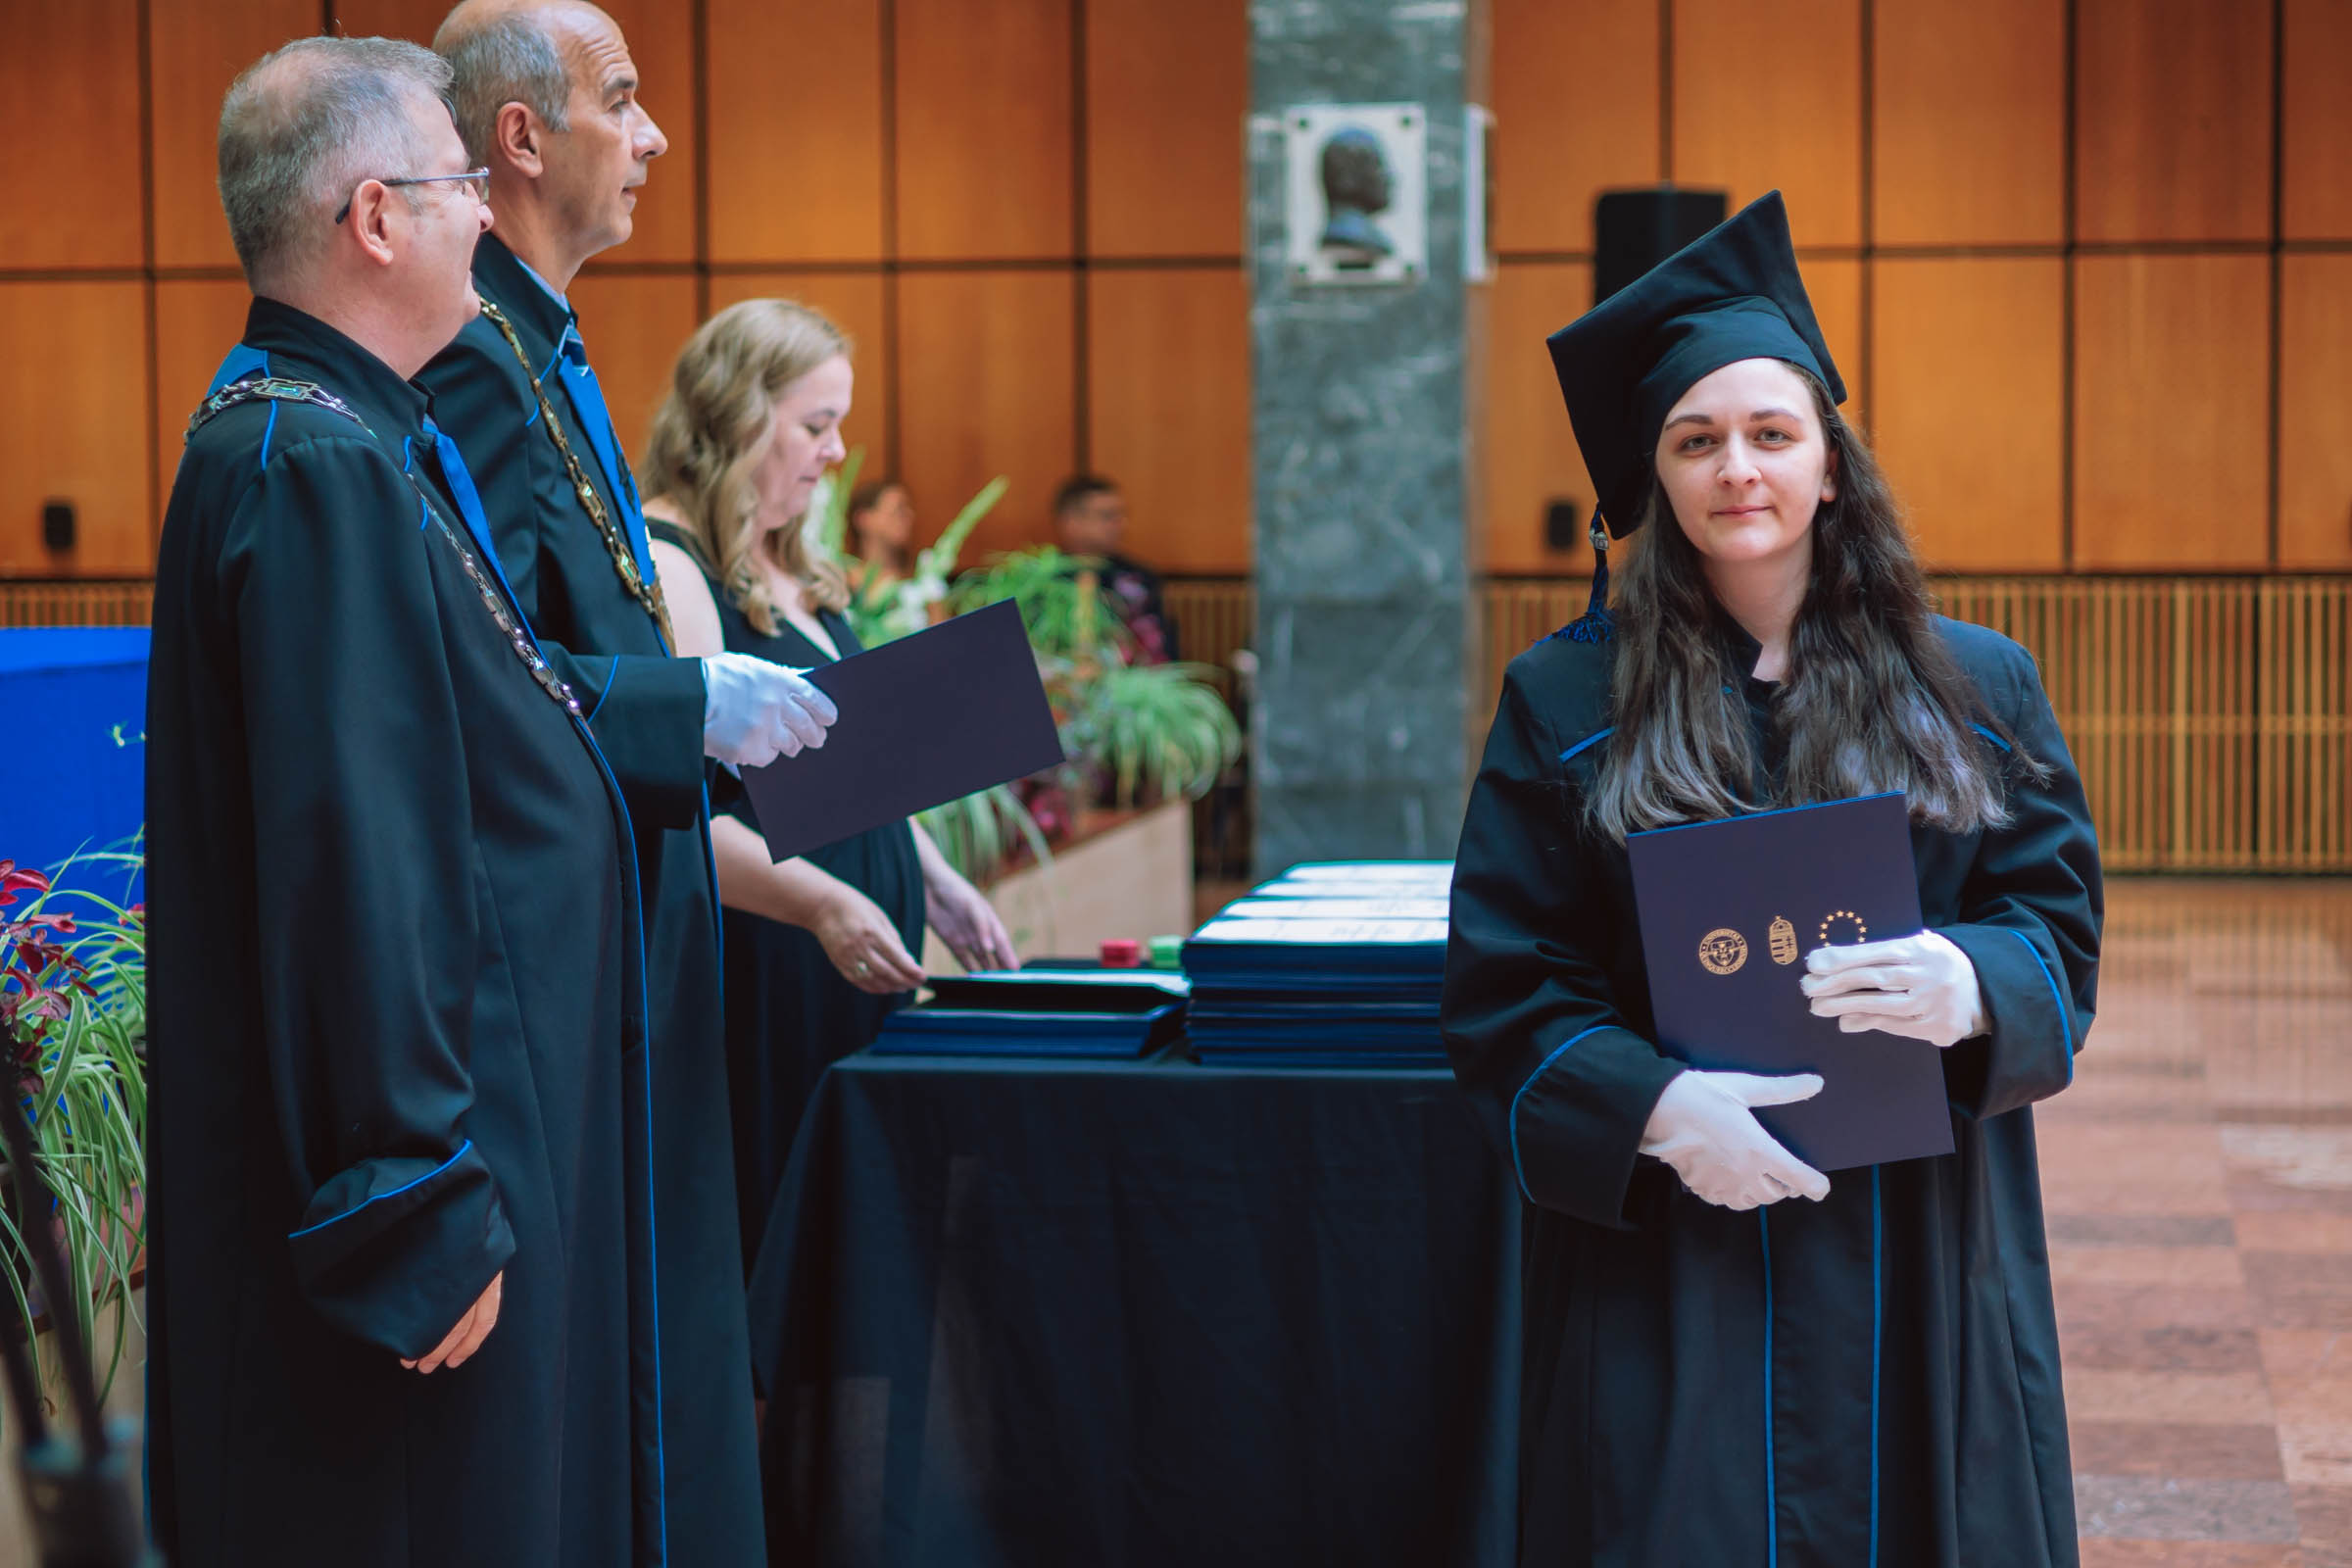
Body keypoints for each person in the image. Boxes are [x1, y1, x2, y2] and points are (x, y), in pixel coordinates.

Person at [142, 36, 767, 1565]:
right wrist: (409, 1189)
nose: (486, 217)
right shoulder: (313, 459)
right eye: (458, 186)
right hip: (427, 1181)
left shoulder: (351, 431)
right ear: (375, 218)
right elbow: (357, 851)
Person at [1442, 191, 2102, 1567]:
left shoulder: (1976, 686)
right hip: (1674, 1240)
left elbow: (2052, 921)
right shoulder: (1566, 700)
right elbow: (1509, 980)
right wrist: (1654, 1108)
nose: (1736, 468)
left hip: (1918, 1231)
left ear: (1830, 464)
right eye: (1696, 440)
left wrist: (1973, 980)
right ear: (1653, 477)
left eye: (1771, 434)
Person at [415, 6, 830, 1557]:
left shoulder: (543, 338)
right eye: (624, 100)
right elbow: (483, 671)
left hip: (640, 924)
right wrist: (685, 704)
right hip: (572, 950)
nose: (653, 136)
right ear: (522, 137)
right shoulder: (474, 353)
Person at [643, 299, 1020, 1271]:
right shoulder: (674, 563)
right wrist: (823, 904)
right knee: (788, 1246)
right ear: (737, 417)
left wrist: (933, 877)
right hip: (774, 962)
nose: (838, 451)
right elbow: (680, 810)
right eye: (816, 425)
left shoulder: (788, 559)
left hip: (848, 954)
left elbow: (853, 767)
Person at [1052, 472, 1182, 662]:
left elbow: (1161, 650)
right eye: (1108, 516)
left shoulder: (1138, 578)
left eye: (1122, 515)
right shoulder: (1042, 580)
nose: (1121, 524)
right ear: (1071, 522)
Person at [847, 475, 917, 587]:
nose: (909, 516)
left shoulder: (922, 579)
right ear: (863, 519)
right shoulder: (845, 580)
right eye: (898, 510)